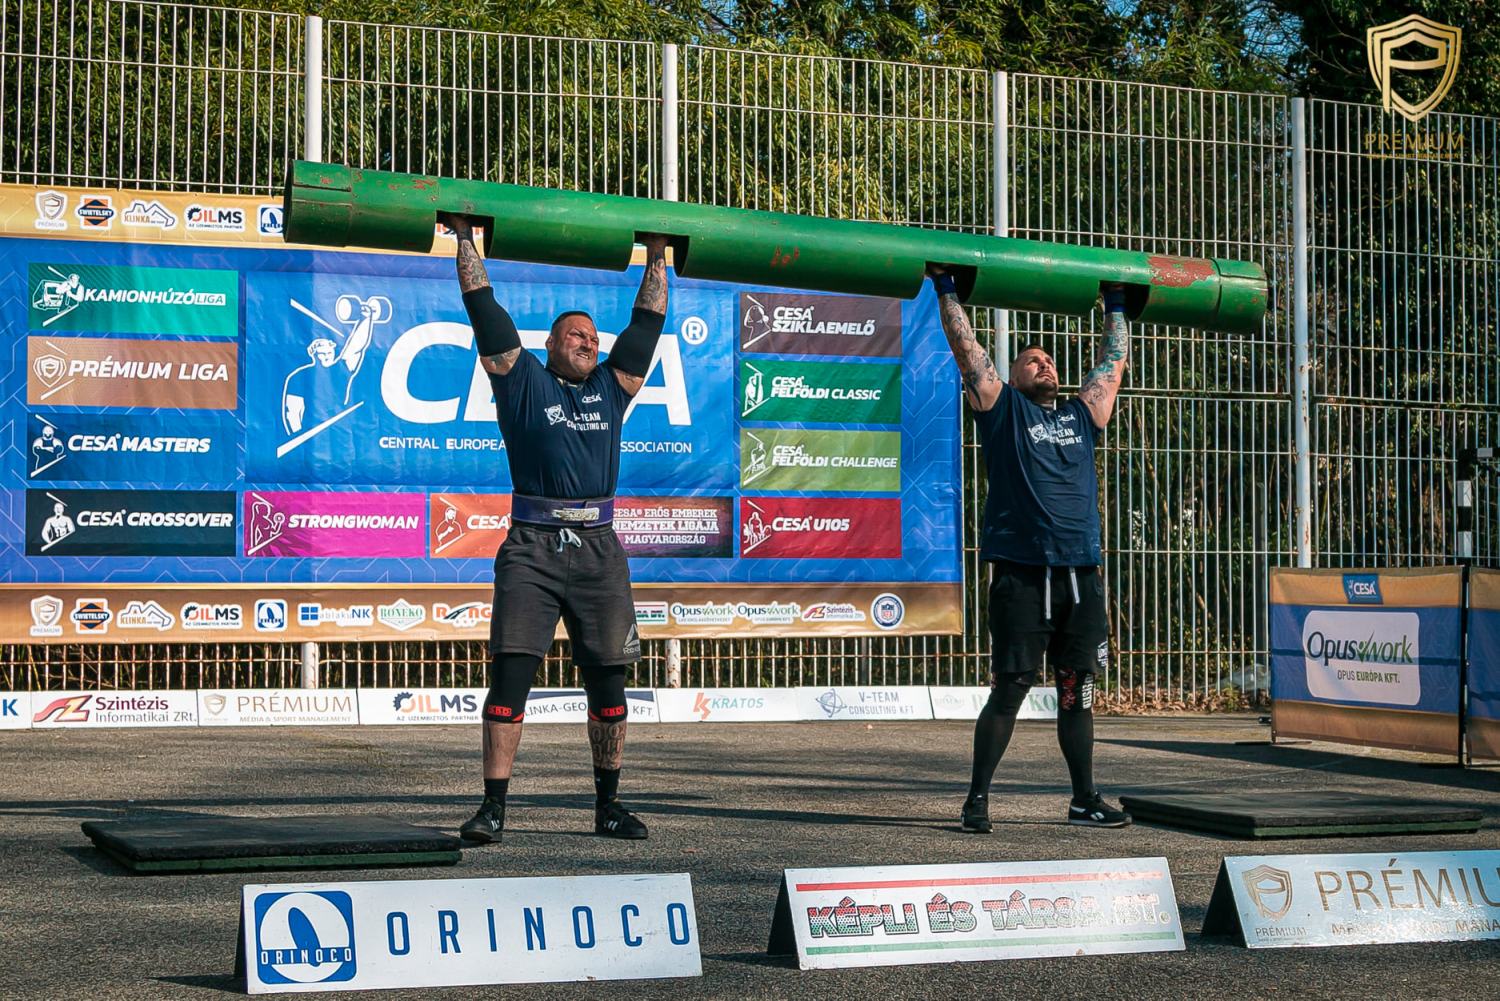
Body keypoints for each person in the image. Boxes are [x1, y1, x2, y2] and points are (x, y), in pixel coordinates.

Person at [442, 212, 670, 845]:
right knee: (510, 678)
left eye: (593, 337)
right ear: (549, 345)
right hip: (532, 549)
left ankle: (608, 806)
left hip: (599, 551)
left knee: (610, 681)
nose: (588, 342)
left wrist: (656, 253)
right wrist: (466, 239)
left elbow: (647, 324)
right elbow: (484, 308)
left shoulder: (612, 389)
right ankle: (493, 808)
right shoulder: (521, 381)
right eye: (576, 335)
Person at [928, 265, 1133, 831]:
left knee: (1078, 691)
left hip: (1080, 576)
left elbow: (1112, 365)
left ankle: (1084, 799)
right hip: (1022, 576)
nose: (1044, 364)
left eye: (1049, 360)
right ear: (1012, 377)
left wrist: (1116, 304)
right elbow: (968, 353)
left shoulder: (1081, 414)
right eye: (1031, 360)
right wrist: (946, 289)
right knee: (1011, 689)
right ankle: (976, 801)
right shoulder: (1001, 410)